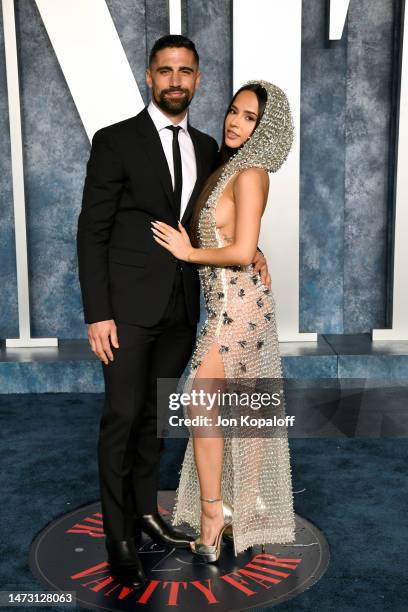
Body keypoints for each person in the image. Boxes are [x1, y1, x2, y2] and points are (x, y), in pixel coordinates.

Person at [77, 35, 270, 587]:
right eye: (166, 71)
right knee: (121, 417)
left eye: (186, 71)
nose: (176, 81)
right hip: (128, 311)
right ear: (149, 76)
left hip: (186, 311)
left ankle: (145, 514)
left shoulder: (210, 146)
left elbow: (221, 216)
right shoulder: (114, 141)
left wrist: (250, 247)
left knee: (154, 422)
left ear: (198, 79)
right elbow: (92, 231)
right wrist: (98, 313)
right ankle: (118, 536)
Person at [151, 80, 297, 561]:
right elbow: (243, 241)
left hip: (239, 308)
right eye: (234, 112)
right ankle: (236, 509)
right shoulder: (228, 168)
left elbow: (235, 251)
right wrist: (252, 251)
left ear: (266, 127)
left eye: (249, 117)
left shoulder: (252, 172)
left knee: (201, 400)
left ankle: (216, 513)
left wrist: (189, 251)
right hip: (225, 304)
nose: (235, 122)